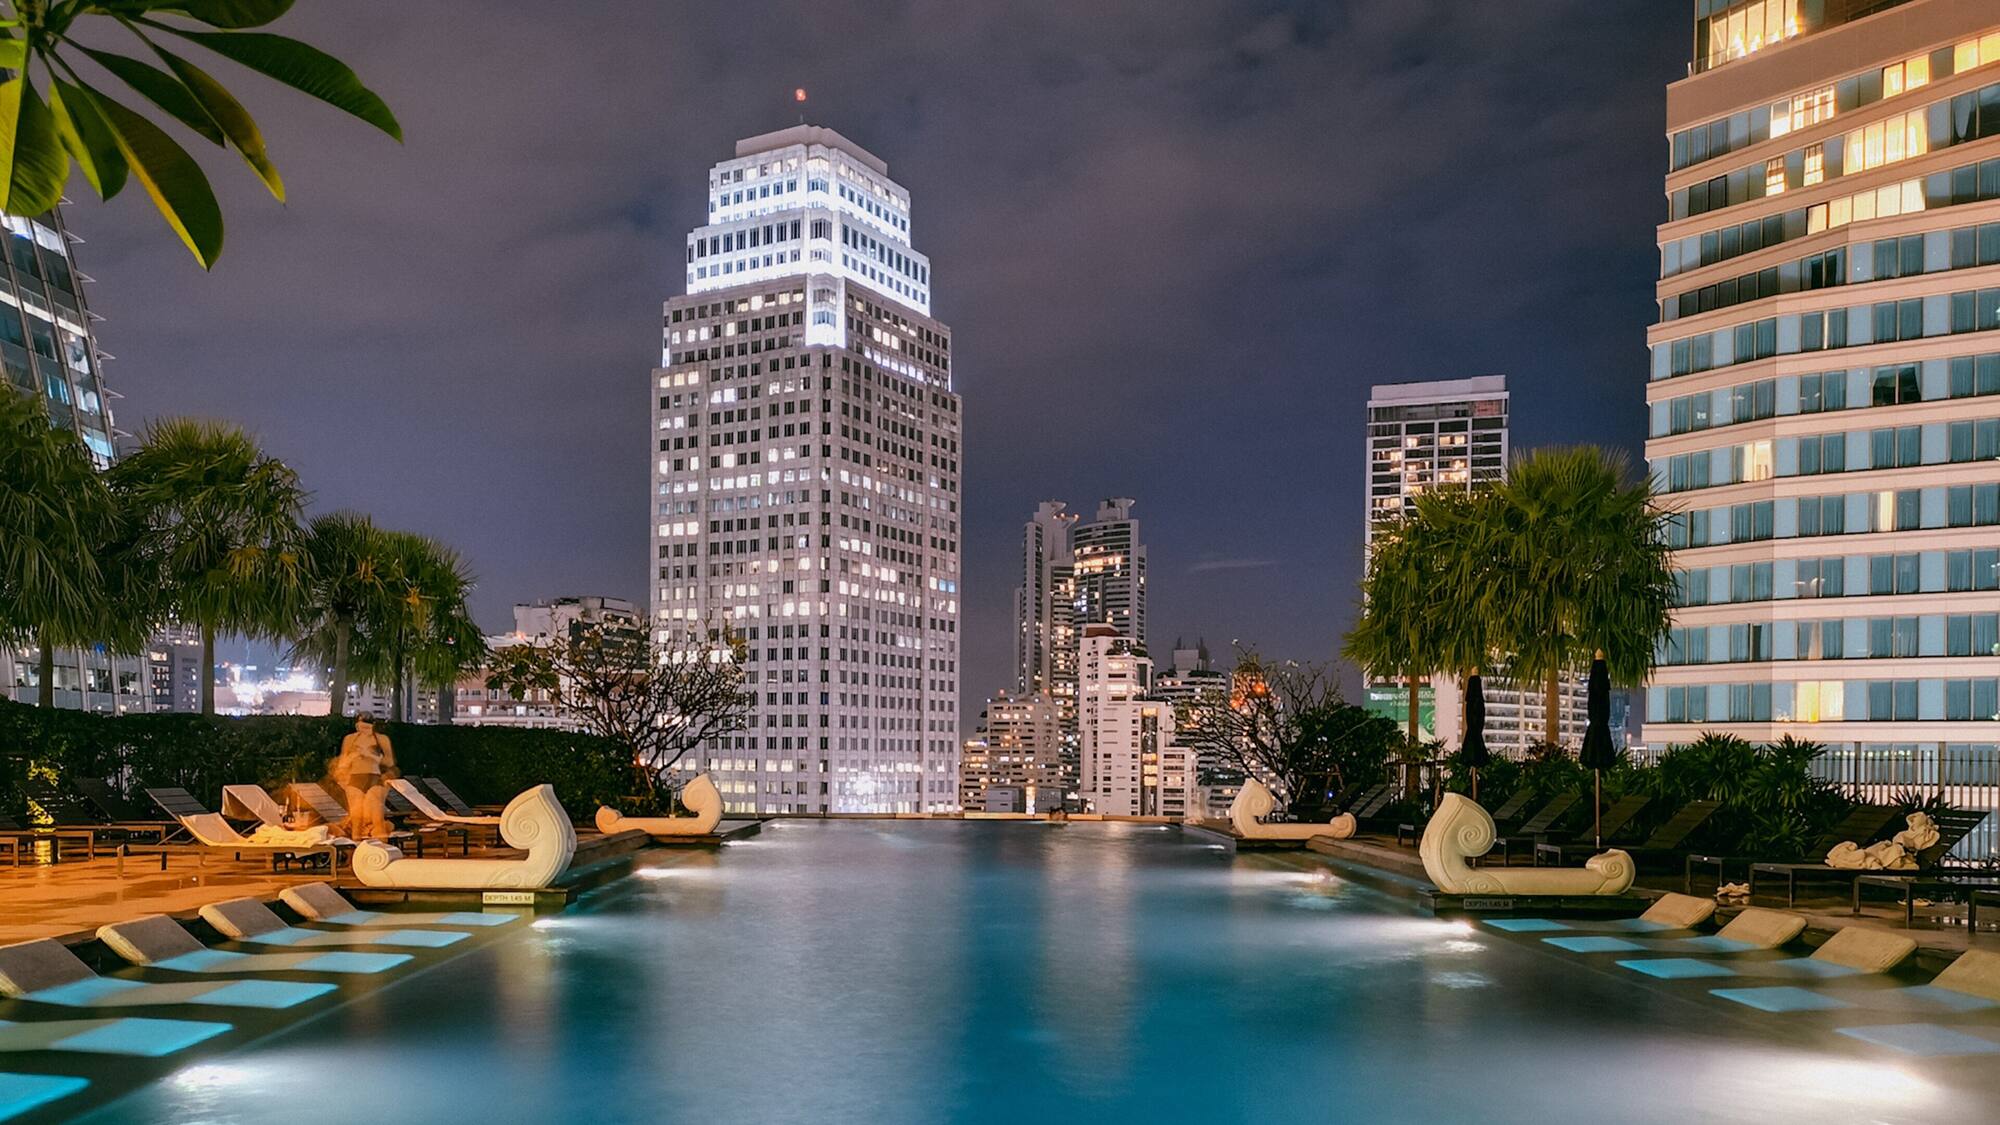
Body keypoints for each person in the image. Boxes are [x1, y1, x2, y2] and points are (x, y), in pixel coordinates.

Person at [333, 713, 397, 840]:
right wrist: (351, 758)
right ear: (357, 726)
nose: (365, 731)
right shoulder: (350, 739)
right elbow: (342, 763)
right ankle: (356, 854)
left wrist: (370, 756)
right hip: (355, 778)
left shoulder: (381, 739)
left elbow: (390, 762)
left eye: (368, 728)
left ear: (373, 727)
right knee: (357, 820)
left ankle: (381, 851)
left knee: (377, 818)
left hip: (374, 777)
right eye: (362, 728)